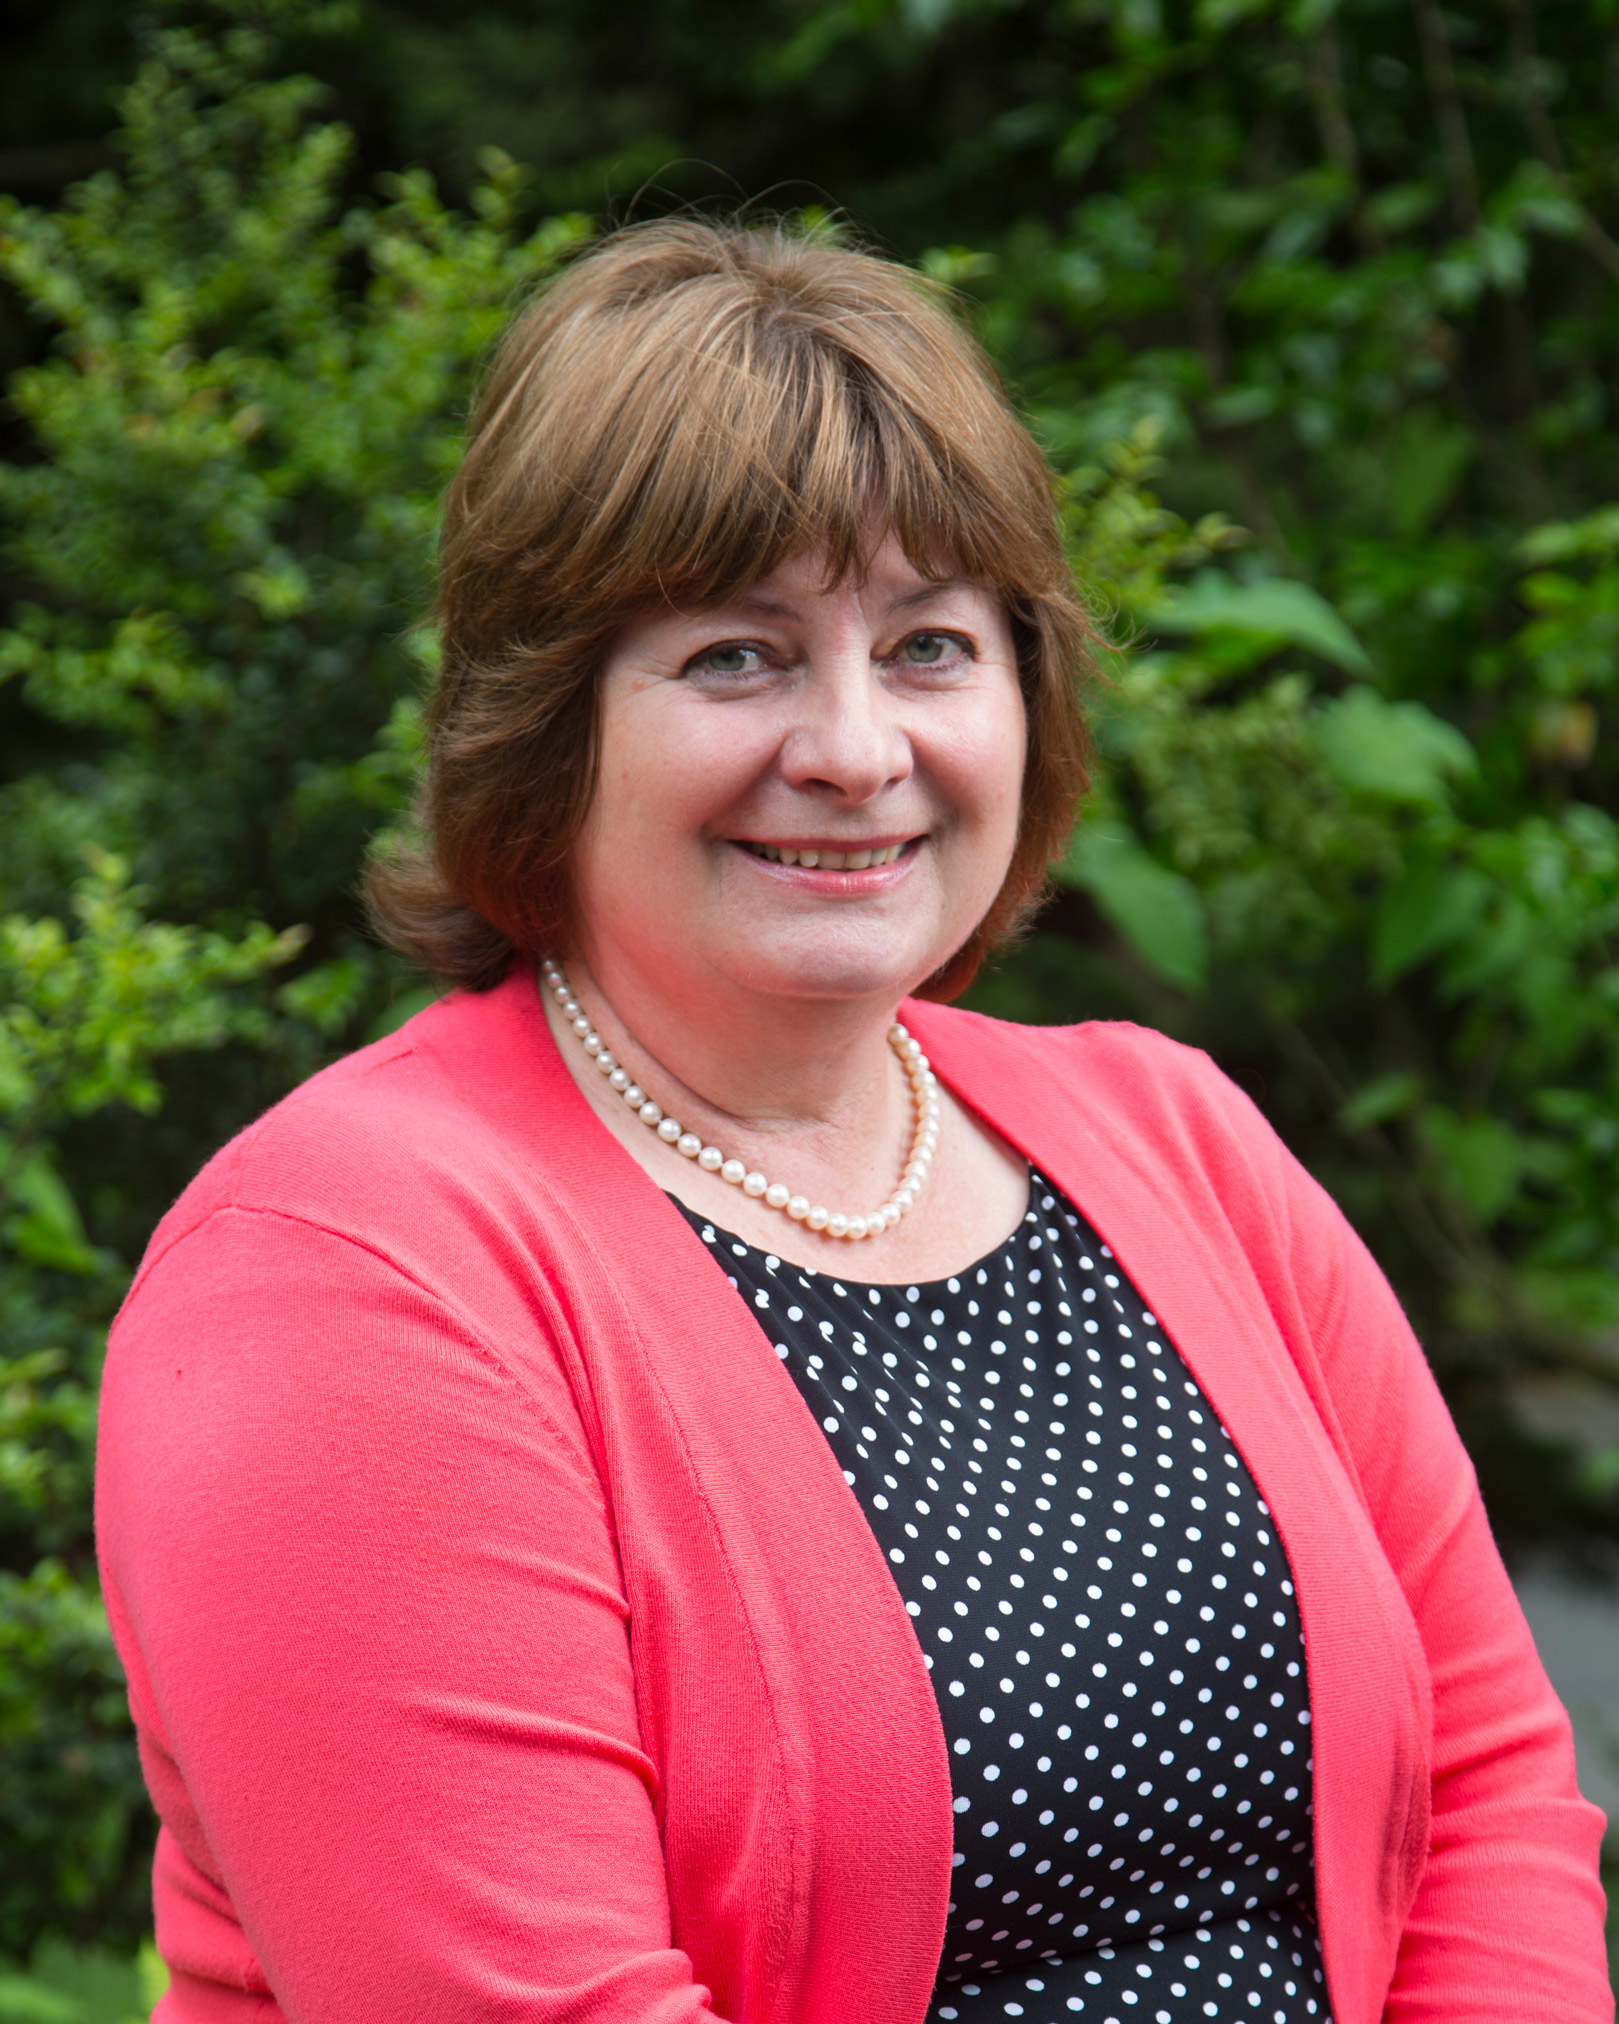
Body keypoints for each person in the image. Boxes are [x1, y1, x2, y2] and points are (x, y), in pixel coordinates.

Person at [96, 219, 1610, 2024]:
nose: (856, 747)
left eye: (929, 646)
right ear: (546, 719)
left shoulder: (1173, 1137)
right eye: (738, 656)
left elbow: (1488, 1789)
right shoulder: (350, 1285)